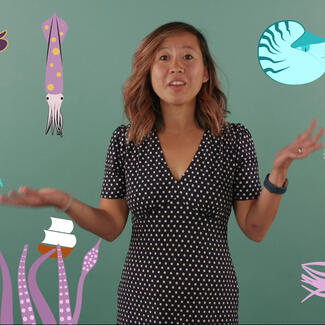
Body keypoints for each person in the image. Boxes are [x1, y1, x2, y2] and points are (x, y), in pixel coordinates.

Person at [0, 21, 324, 324]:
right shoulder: (126, 141)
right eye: (163, 58)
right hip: (141, 303)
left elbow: (254, 228)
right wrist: (63, 201)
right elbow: (111, 226)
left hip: (213, 303)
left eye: (188, 56)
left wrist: (279, 172)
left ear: (206, 72)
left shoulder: (234, 140)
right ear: (149, 72)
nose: (176, 67)